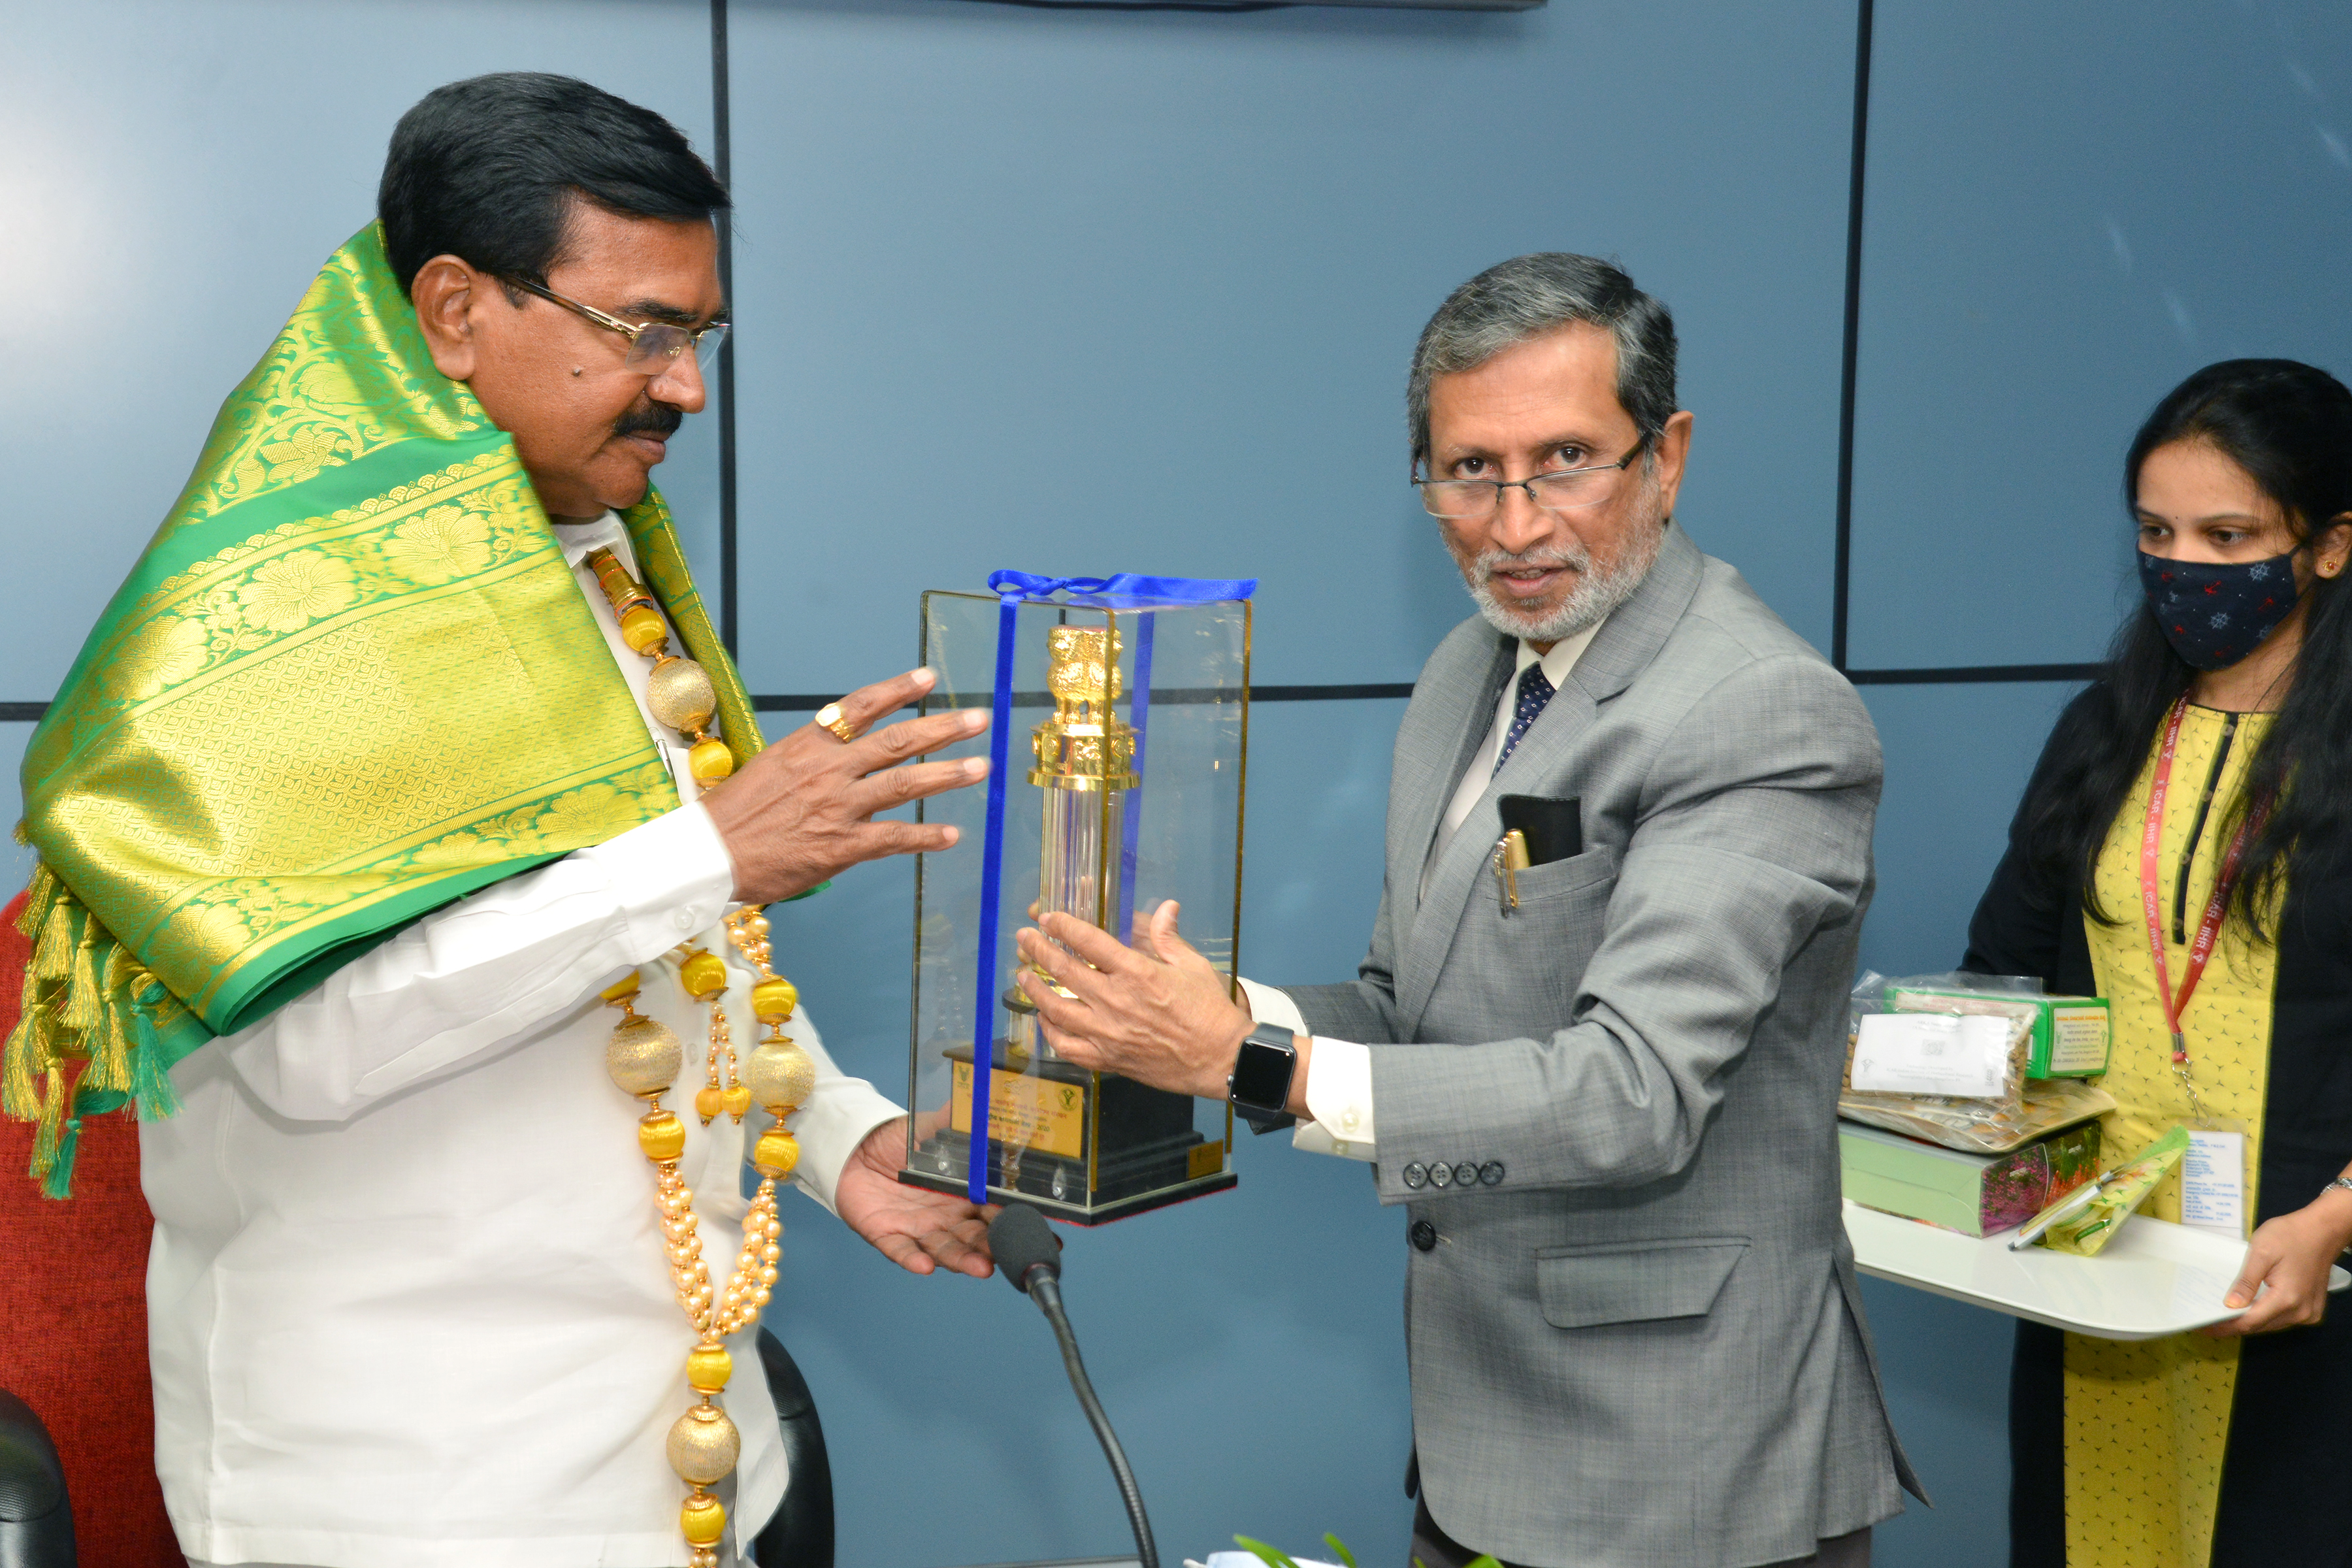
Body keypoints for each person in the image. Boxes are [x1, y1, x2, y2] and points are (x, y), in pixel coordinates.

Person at [5, 73, 998, 1567]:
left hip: (694, 1471)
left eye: (701, 333)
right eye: (641, 330)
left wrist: (847, 1138)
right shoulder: (271, 636)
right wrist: (710, 851)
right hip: (418, 1495)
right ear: (455, 310)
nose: (686, 387)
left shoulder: (595, 566)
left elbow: (681, 968)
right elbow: (304, 1051)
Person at [1013, 253, 1919, 1568]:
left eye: (1566, 460)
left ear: (1666, 456)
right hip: (1488, 1438)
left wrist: (1251, 1060)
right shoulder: (1472, 667)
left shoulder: (1760, 711)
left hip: (1685, 1477)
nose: (1514, 523)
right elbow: (1403, 1006)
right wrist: (1216, 1015)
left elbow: (1632, 1095)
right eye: (1469, 470)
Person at [1960, 359, 2352, 1568]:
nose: (2185, 566)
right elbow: (2003, 968)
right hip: (2102, 1269)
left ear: (2332, 545)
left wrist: (2341, 1215)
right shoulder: (2106, 730)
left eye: (2229, 535)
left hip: (2310, 1284)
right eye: (2157, 532)